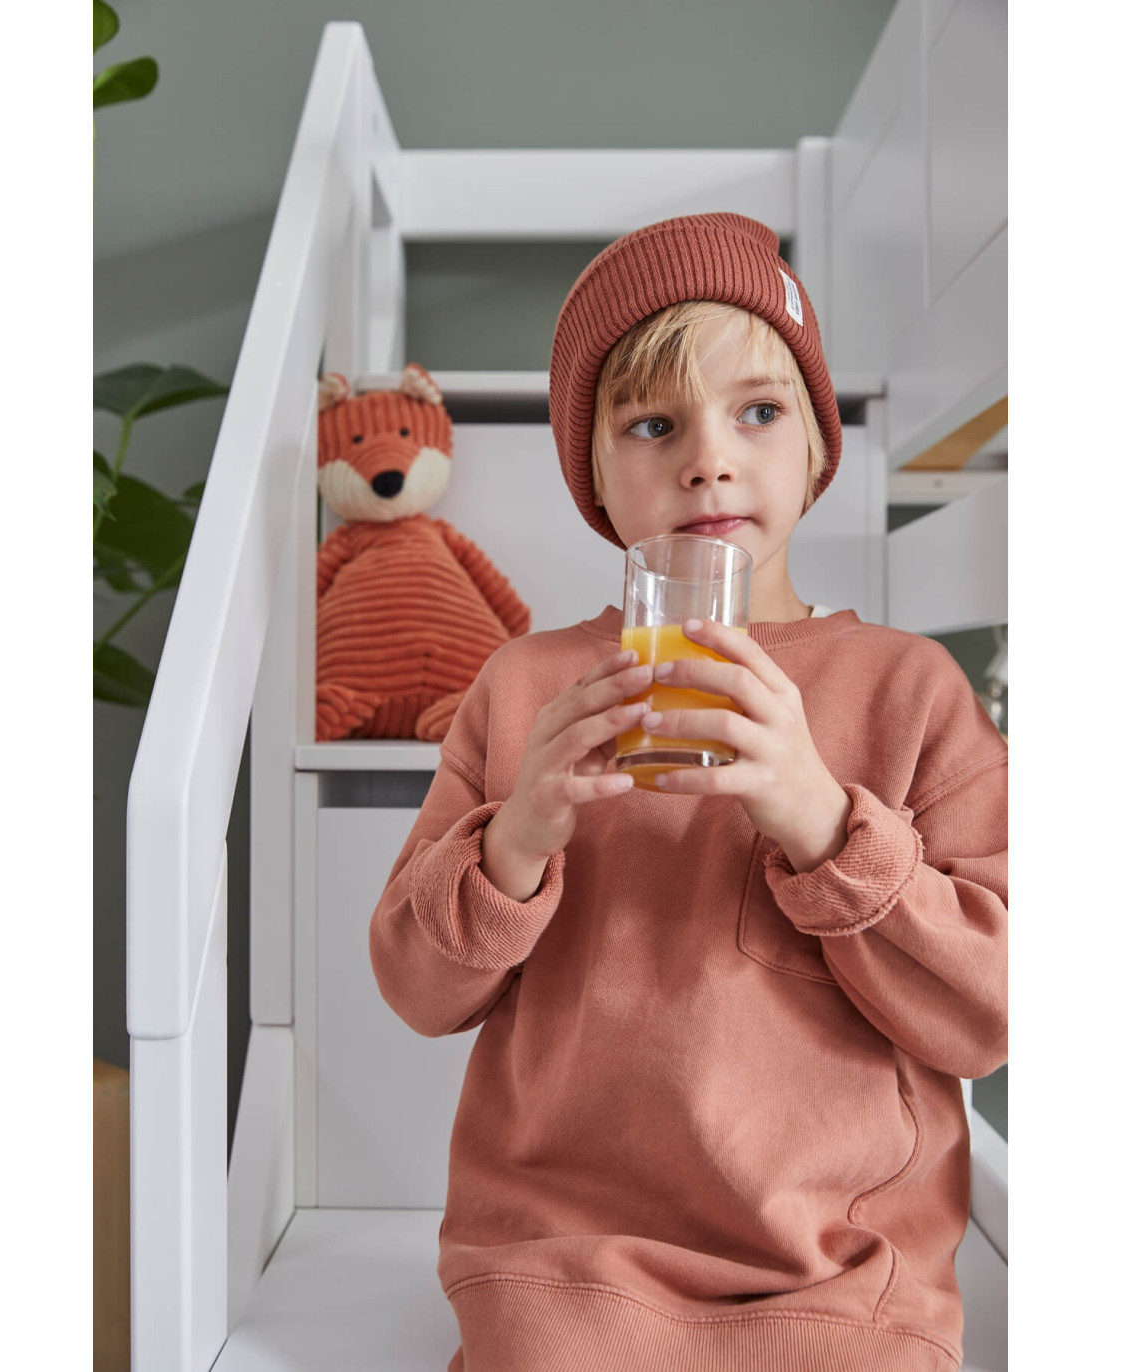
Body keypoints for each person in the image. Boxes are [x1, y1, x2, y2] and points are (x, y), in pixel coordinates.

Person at [368, 212, 1007, 1372]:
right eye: (653, 425)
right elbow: (416, 988)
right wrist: (515, 842)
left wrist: (825, 823)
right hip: (567, 1267)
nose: (708, 458)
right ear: (594, 478)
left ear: (817, 449)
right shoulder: (524, 689)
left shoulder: (908, 688)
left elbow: (992, 1010)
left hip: (840, 1279)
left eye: (758, 412)